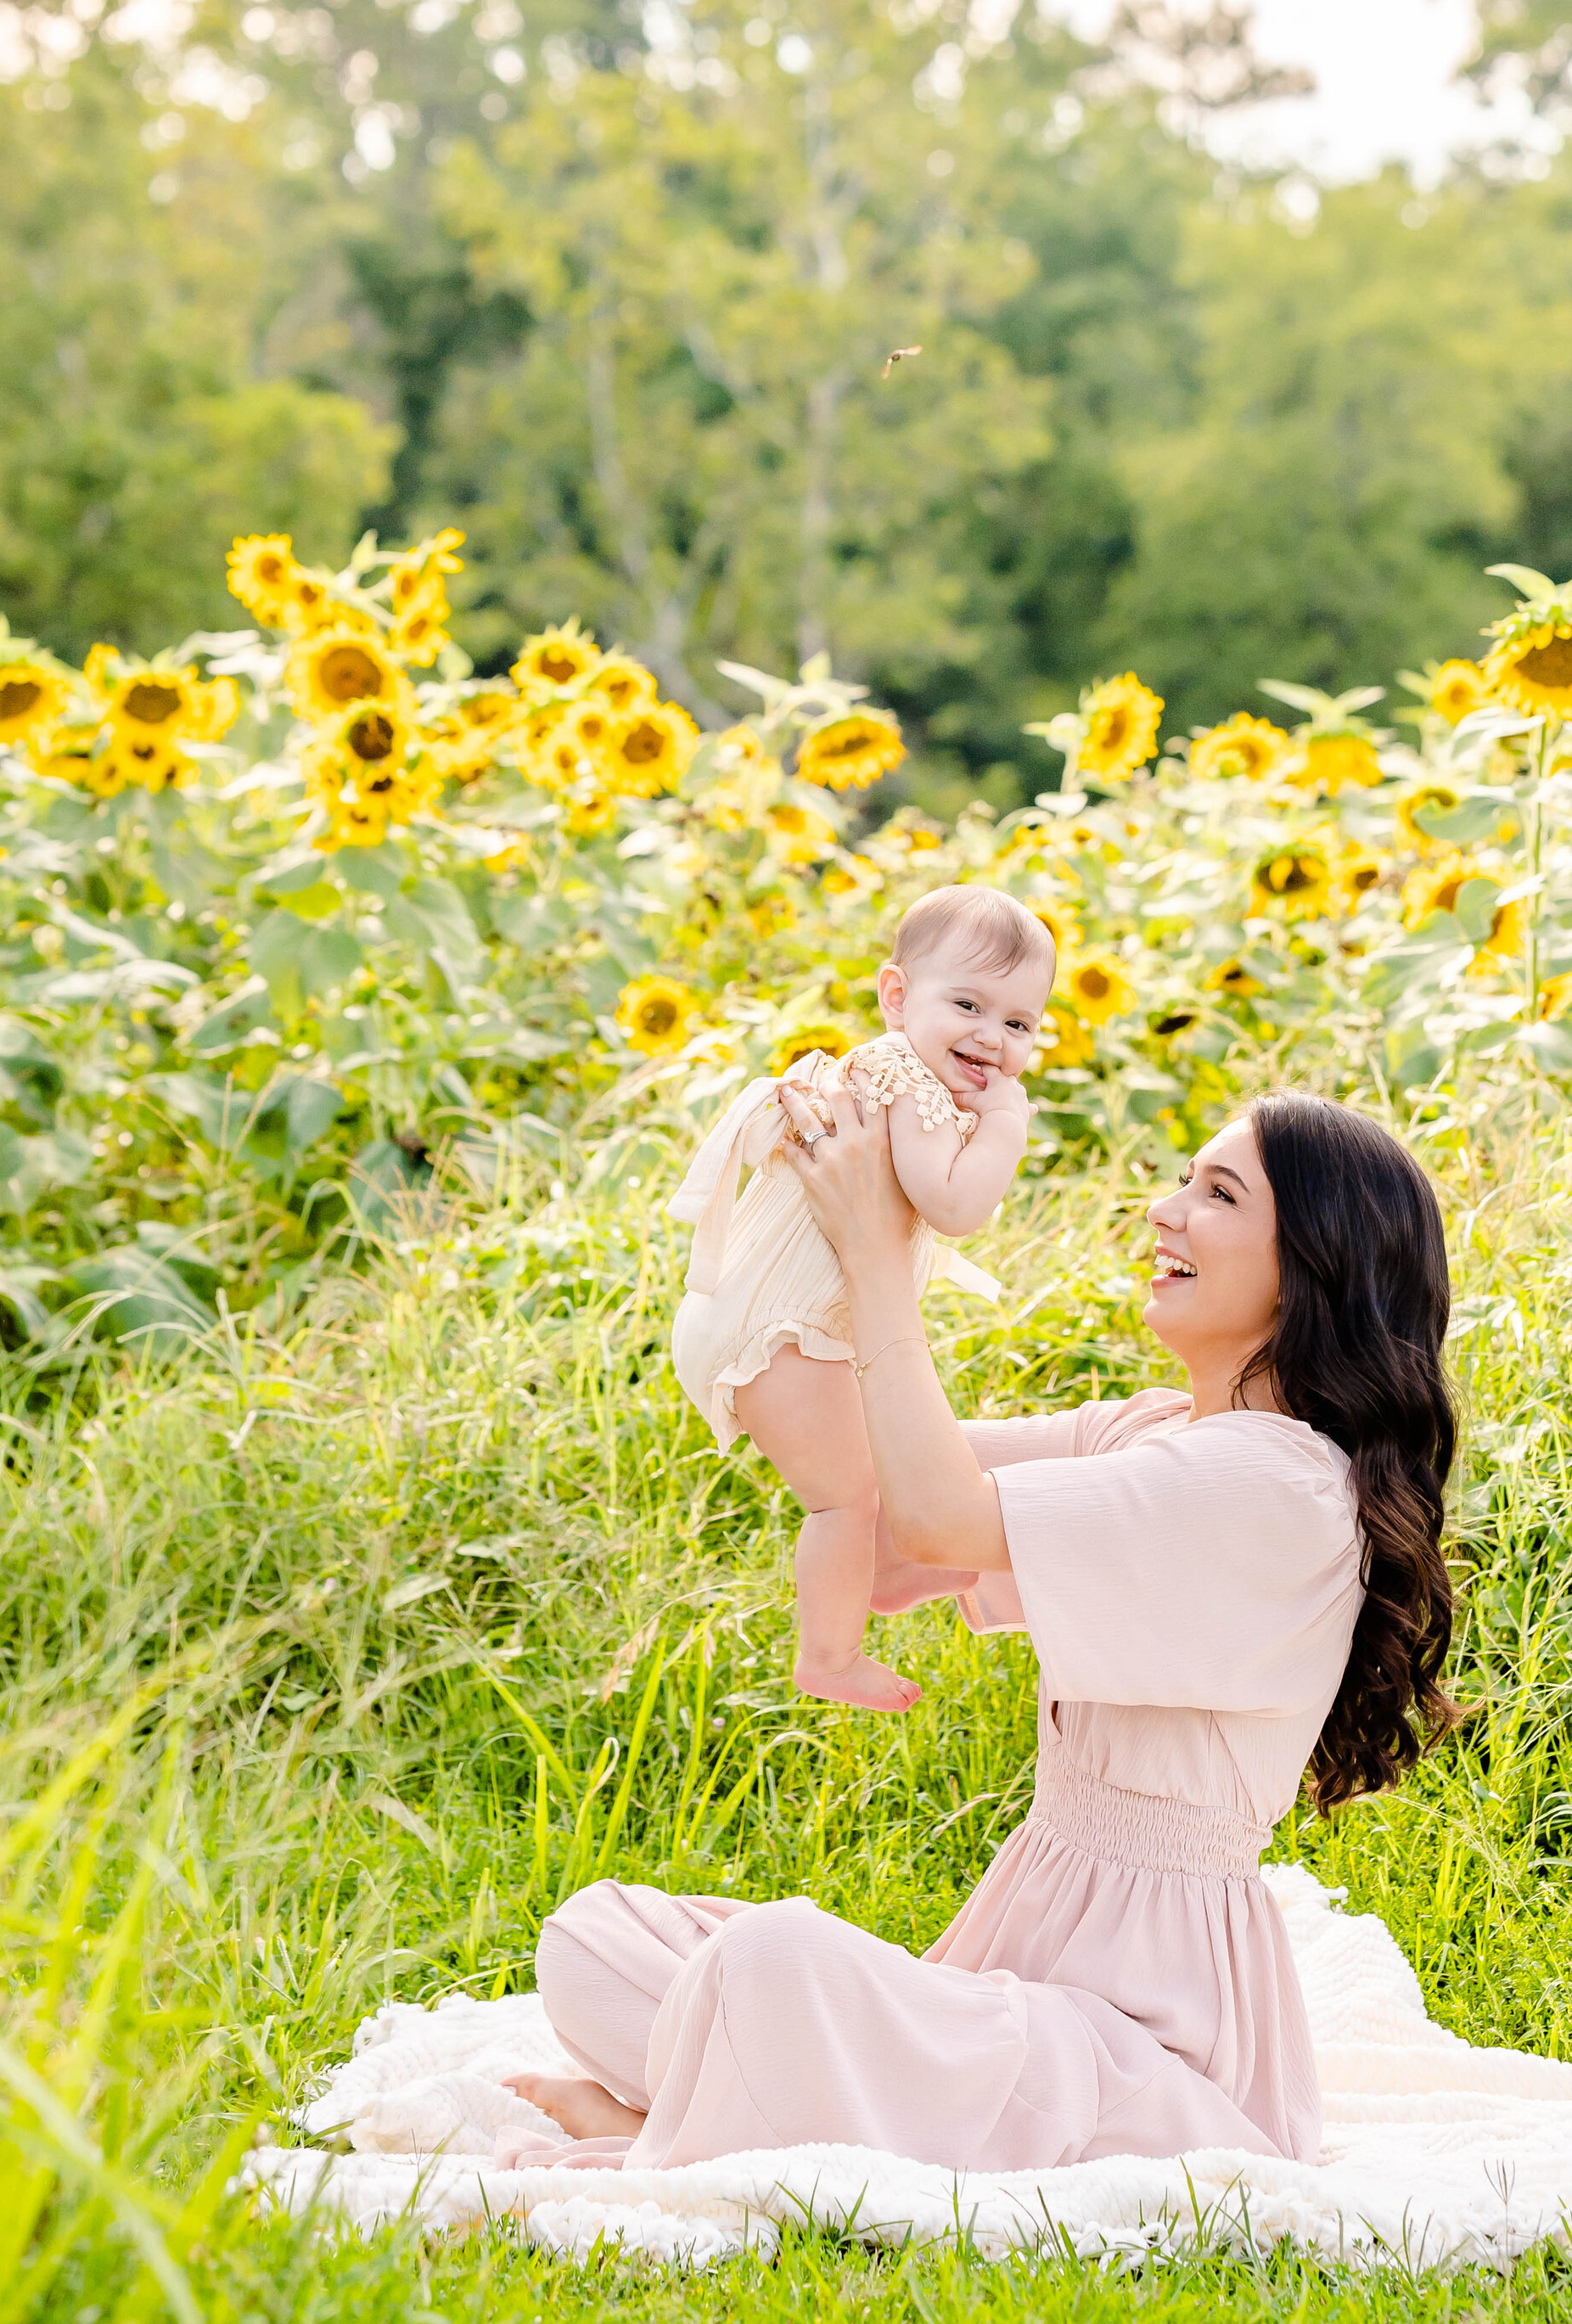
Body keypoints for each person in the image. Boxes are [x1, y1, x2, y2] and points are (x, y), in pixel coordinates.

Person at [506, 1081, 1459, 2172]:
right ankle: (757, 2090)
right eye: (1183, 1180)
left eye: (1218, 1194)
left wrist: (873, 1261)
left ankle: (690, 2117)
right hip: (1016, 1986)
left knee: (771, 1964)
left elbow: (938, 1513)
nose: (1165, 1210)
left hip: (1145, 2052)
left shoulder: (1270, 1489)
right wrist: (827, 1235)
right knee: (596, 1939)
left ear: (1313, 1267)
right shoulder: (1154, 1432)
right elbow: (880, 1496)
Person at [666, 881, 1050, 1708]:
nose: (992, 1037)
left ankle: (941, 1569)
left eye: (1018, 1024)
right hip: (781, 1335)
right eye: (968, 1005)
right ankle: (828, 1658)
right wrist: (1007, 1125)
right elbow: (954, 1208)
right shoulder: (899, 1076)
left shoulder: (895, 1074)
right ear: (896, 996)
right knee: (844, 1498)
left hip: (780, 1327)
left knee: (875, 1472)